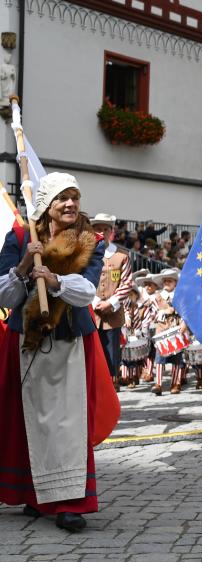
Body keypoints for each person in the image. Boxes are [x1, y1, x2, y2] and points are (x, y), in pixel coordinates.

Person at [0, 172, 117, 532]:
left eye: (74, 197)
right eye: (62, 198)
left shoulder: (90, 241)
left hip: (69, 340)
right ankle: (34, 495)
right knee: (25, 419)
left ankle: (69, 502)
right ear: (47, 205)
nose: (70, 204)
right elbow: (5, 297)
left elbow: (86, 292)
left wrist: (54, 281)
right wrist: (23, 266)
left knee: (67, 422)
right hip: (25, 339)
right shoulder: (21, 237)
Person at [89, 212, 133, 387]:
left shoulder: (121, 256)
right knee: (92, 352)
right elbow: (81, 279)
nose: (101, 232)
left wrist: (111, 302)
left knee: (112, 354)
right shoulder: (86, 255)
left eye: (105, 229)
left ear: (111, 231)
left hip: (113, 315)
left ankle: (111, 386)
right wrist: (94, 301)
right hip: (90, 313)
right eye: (97, 229)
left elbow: (127, 283)